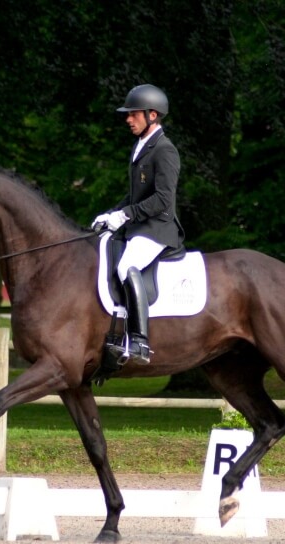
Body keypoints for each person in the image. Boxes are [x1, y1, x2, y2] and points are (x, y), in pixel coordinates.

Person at [92, 84, 184, 365]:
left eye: (133, 114)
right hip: (140, 225)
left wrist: (127, 215)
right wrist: (111, 213)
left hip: (158, 228)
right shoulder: (141, 146)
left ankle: (140, 341)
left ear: (152, 115)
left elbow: (163, 200)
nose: (128, 119)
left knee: (125, 267)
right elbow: (135, 195)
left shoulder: (165, 150)